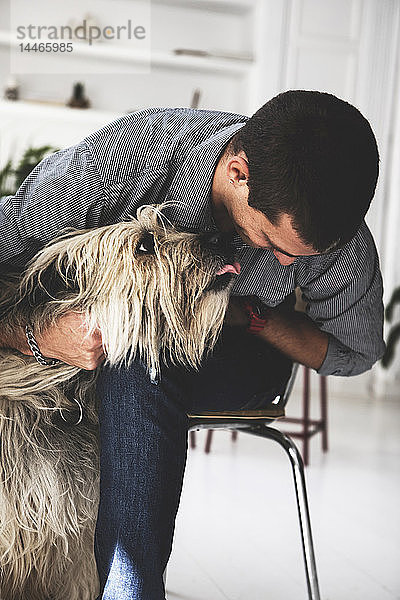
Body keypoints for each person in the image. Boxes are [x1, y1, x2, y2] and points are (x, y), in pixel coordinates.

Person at [0, 90, 385, 599]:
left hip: (242, 344)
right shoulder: (121, 161)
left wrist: (257, 317)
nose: (288, 268)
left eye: (302, 257)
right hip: (86, 346)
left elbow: (354, 351)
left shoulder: (336, 231)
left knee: (138, 358)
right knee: (131, 354)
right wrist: (36, 335)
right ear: (238, 172)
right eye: (271, 243)